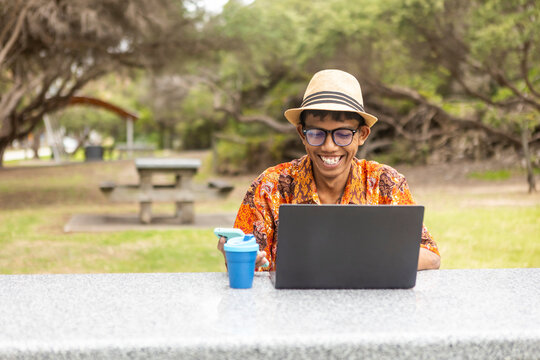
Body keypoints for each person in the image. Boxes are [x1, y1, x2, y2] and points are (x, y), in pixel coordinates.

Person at [218, 69, 441, 271]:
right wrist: (238, 257)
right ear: (301, 134)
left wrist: (352, 258)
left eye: (343, 134)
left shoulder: (386, 183)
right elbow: (244, 256)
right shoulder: (270, 186)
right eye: (317, 133)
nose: (329, 146)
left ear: (362, 135)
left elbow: (430, 256)